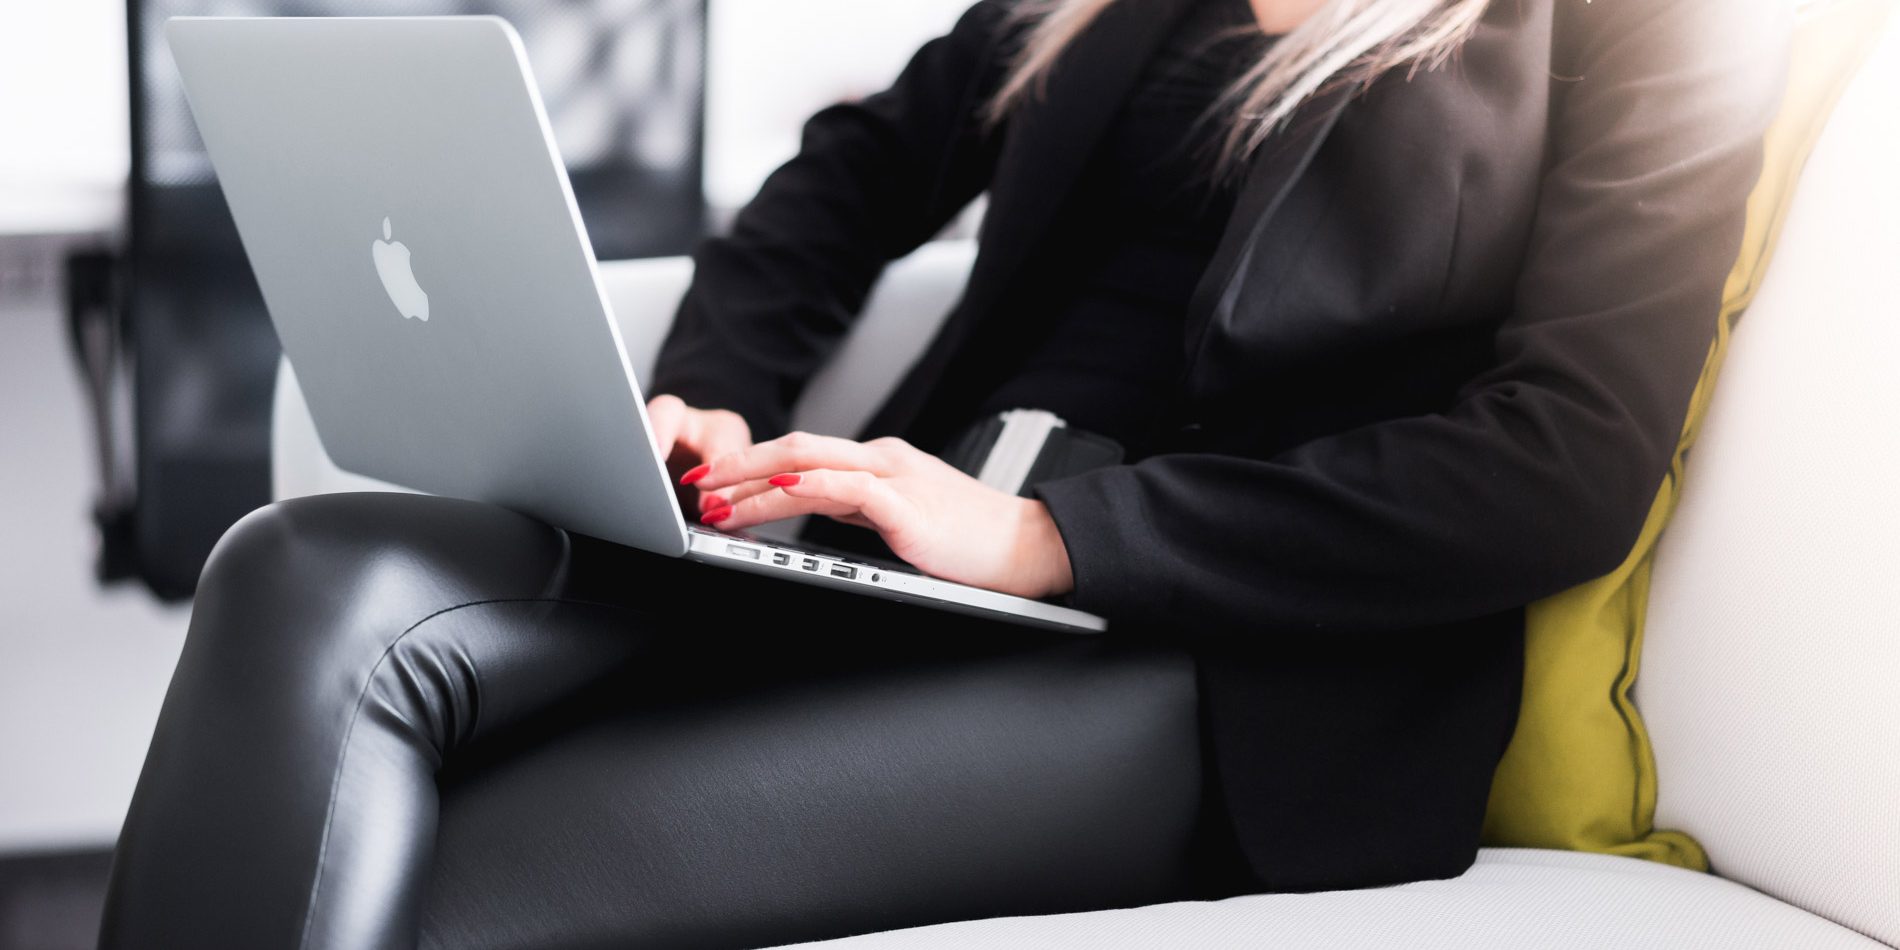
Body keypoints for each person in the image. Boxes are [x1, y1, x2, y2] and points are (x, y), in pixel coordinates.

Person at [100, 0, 1788, 946]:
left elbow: (1564, 458)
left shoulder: (1650, 26)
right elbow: (851, 174)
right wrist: (703, 403)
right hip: (881, 542)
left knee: (455, 863)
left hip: (1210, 657)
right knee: (303, 563)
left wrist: (1057, 535)